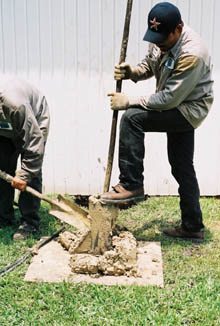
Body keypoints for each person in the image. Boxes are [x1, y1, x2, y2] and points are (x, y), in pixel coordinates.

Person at [101, 2, 214, 240]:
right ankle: (193, 227)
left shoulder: (193, 54)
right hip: (176, 104)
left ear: (179, 29)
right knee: (182, 167)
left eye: (163, 40)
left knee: (132, 118)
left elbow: (169, 99)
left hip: (189, 109)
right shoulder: (159, 36)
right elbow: (149, 65)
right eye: (155, 38)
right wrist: (132, 72)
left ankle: (131, 184)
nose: (158, 44)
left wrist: (128, 100)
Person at [0, 77, 50, 240]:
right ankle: (4, 217)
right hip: (5, 128)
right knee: (3, 164)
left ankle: (29, 221)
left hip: (34, 120)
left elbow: (34, 141)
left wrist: (25, 174)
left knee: (30, 169)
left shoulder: (15, 103)